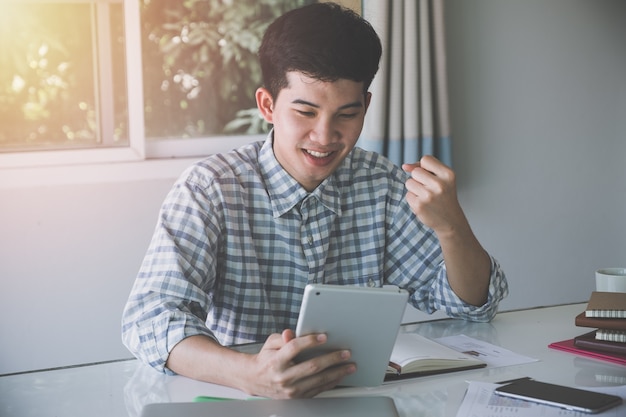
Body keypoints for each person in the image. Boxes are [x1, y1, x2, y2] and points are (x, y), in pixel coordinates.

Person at [122, 2, 508, 399]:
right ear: (268, 106)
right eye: (305, 112)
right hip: (240, 399)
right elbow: (150, 318)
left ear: (366, 107)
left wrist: (452, 226)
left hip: (357, 401)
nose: (325, 137)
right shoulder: (210, 189)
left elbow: (476, 306)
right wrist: (250, 373)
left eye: (346, 115)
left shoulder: (386, 185)